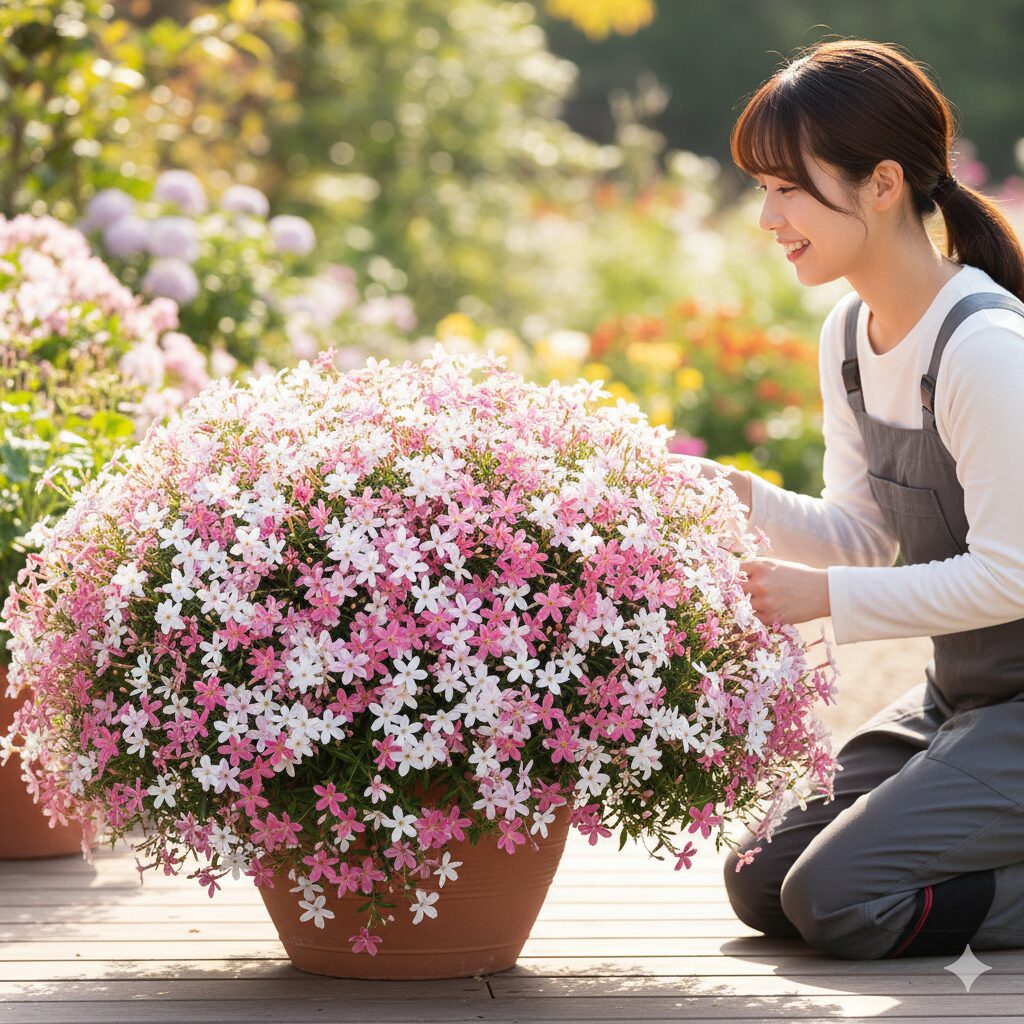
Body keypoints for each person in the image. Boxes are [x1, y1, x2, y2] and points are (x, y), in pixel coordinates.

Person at [686, 38, 1024, 961]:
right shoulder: (849, 334)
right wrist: (736, 496)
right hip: (964, 699)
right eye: (762, 187)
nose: (766, 215)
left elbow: (1012, 578)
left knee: (837, 900)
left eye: (788, 187)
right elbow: (868, 532)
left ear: (882, 184)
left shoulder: (987, 348)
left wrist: (821, 599)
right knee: (762, 879)